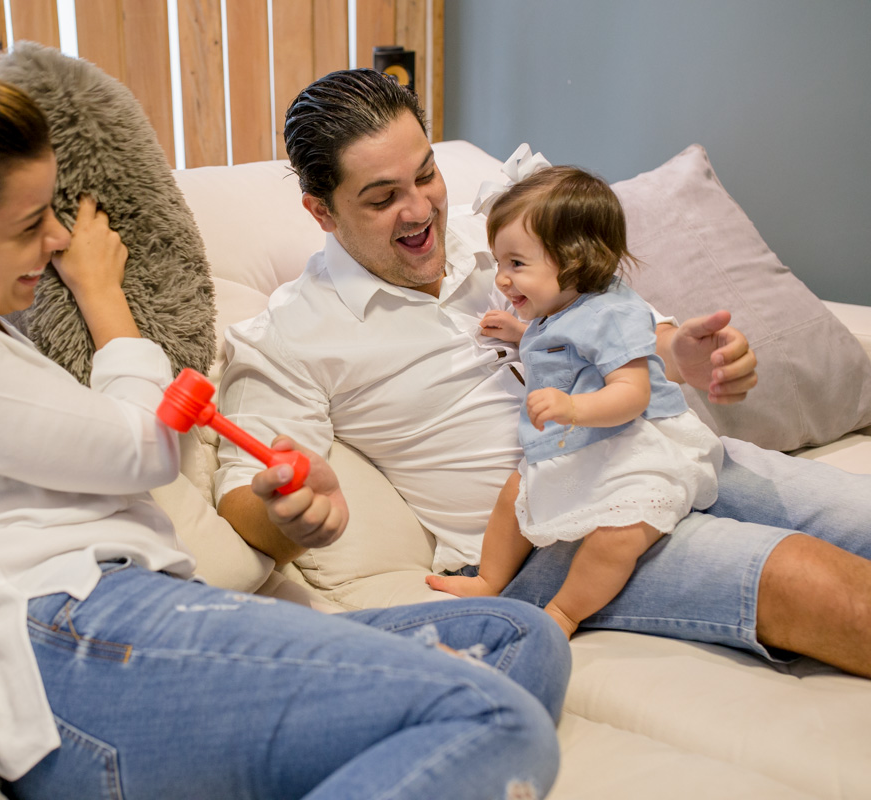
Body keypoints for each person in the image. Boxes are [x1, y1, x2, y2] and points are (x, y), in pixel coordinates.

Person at [0, 65, 571, 800]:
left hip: (135, 616)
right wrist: (104, 300)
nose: (57, 240)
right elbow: (143, 446)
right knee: (499, 721)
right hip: (79, 634)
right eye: (31, 224)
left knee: (517, 634)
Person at [214, 68, 871, 679]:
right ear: (321, 212)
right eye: (383, 198)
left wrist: (682, 354)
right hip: (556, 536)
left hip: (665, 454)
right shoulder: (289, 335)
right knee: (815, 585)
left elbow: (619, 325)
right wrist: (287, 516)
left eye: (426, 176)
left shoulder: (501, 230)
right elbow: (243, 496)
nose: (420, 212)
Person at [430, 159, 726, 639]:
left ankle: (566, 612)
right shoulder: (559, 307)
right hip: (575, 445)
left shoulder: (612, 313)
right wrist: (519, 331)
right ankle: (489, 578)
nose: (502, 279)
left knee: (619, 536)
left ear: (572, 262)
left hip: (630, 444)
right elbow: (564, 344)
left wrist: (573, 409)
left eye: (516, 264)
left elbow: (633, 393)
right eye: (500, 263)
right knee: (514, 496)